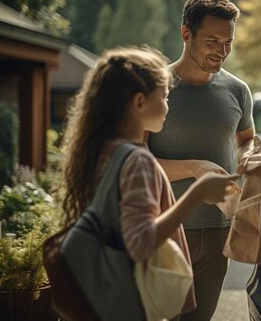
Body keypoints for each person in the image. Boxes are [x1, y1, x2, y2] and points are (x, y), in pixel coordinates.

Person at [59, 46, 238, 318]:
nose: (168, 106)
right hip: (128, 300)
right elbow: (139, 243)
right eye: (165, 96)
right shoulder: (137, 161)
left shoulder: (103, 151)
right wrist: (197, 193)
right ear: (140, 102)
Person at [147, 0, 255, 321]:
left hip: (217, 230)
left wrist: (252, 157)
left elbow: (246, 141)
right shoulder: (153, 87)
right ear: (186, 34)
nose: (221, 51)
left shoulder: (238, 90)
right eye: (212, 41)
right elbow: (134, 161)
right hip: (163, 228)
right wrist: (195, 168)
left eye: (228, 42)